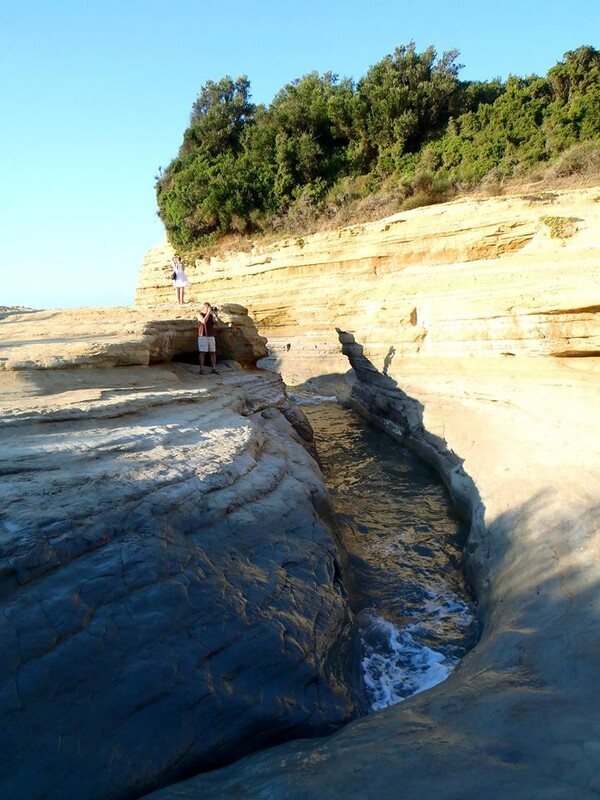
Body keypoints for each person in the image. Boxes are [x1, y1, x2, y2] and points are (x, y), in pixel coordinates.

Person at [197, 303, 220, 374]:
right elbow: (203, 321)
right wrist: (208, 313)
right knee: (203, 352)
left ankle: (214, 368)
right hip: (203, 336)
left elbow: (217, 323)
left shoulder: (210, 316)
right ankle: (201, 369)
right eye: (208, 308)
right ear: (205, 308)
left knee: (212, 352)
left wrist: (216, 315)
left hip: (210, 336)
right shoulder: (200, 314)